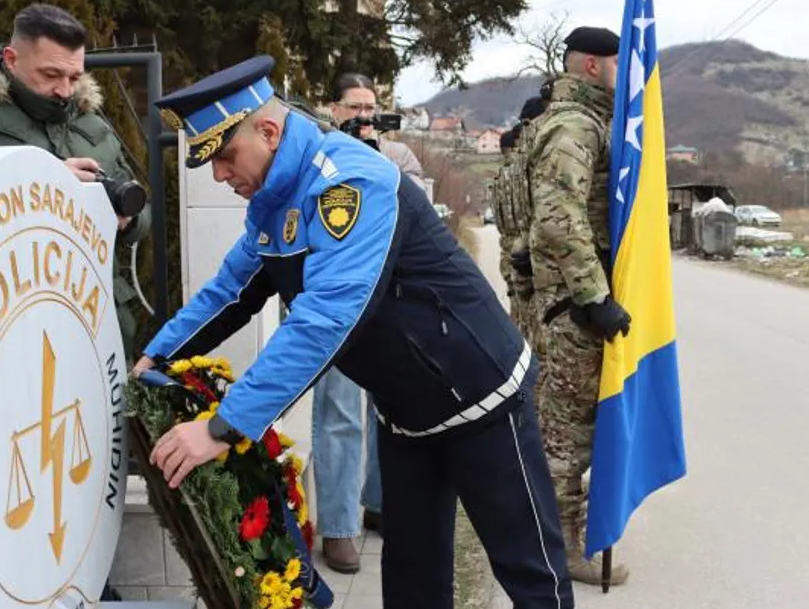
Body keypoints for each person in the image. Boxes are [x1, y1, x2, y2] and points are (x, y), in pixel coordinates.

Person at [135, 55, 574, 608]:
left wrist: (221, 427)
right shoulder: (271, 203)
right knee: (412, 577)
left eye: (225, 156)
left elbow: (326, 319)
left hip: (479, 394)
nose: (220, 175)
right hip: (406, 410)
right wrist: (155, 356)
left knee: (529, 570)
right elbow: (230, 293)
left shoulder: (350, 182)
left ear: (268, 131)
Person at [0, 3, 151, 371]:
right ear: (13, 60)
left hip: (94, 328)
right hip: (2, 336)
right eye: (50, 75)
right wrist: (45, 183)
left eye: (74, 76)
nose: (64, 90)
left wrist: (124, 219)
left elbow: (141, 209)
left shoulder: (91, 124)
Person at [524, 27, 632, 586]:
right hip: (574, 303)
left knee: (574, 425)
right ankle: (562, 550)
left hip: (576, 298)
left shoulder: (594, 122)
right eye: (618, 62)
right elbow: (557, 213)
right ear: (592, 66)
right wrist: (593, 294)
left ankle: (571, 536)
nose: (626, 71)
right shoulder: (574, 126)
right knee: (566, 433)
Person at [307, 72, 424, 574]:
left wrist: (375, 155)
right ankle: (337, 527)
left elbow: (417, 207)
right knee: (340, 411)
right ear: (332, 110)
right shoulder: (315, 154)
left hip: (390, 298)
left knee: (389, 406)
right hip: (337, 298)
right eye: (353, 108)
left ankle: (378, 504)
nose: (364, 117)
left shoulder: (396, 156)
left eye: (370, 109)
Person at [493, 96, 547, 352]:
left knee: (523, 332)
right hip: (534, 257)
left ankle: (523, 389)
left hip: (514, 254)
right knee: (538, 341)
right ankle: (527, 392)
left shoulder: (507, 171)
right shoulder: (530, 162)